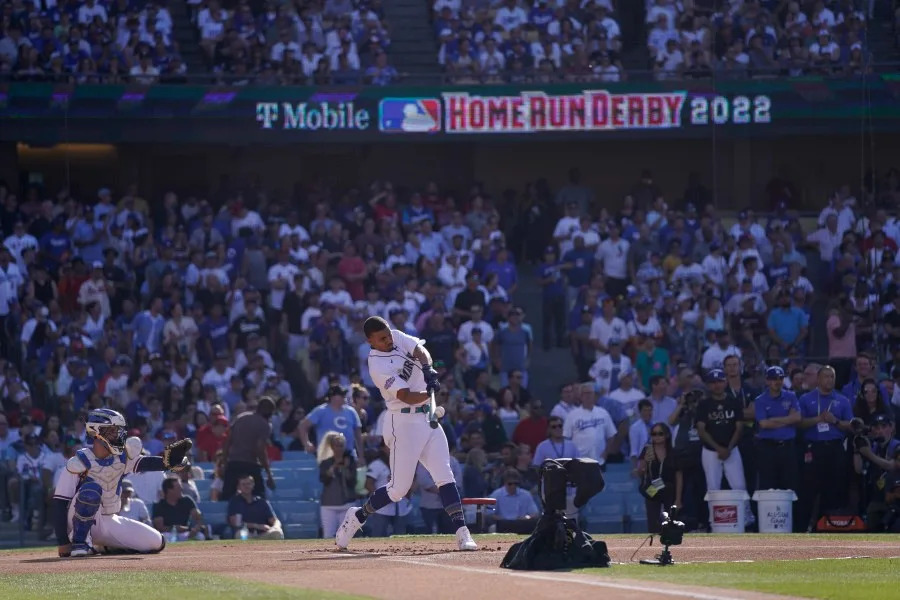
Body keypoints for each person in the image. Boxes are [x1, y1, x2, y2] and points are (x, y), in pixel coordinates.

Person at [334, 316, 477, 550]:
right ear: (370, 341)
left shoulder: (395, 336)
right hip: (403, 422)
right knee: (398, 489)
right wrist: (428, 390)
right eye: (381, 339)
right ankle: (357, 517)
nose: (387, 340)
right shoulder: (377, 365)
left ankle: (463, 533)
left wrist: (428, 369)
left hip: (427, 417)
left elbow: (420, 349)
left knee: (445, 475)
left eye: (388, 334)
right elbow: (406, 396)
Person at [52, 408, 191, 557]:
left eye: (118, 431)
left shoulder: (121, 458)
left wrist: (169, 463)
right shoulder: (77, 462)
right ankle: (79, 542)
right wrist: (63, 542)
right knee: (91, 490)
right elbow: (59, 503)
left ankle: (103, 547)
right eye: (112, 431)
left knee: (156, 542)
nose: (118, 435)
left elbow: (145, 463)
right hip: (75, 522)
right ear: (96, 431)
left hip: (108, 519)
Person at [797, 366, 854, 532]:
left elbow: (850, 425)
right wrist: (817, 419)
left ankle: (824, 528)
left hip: (835, 449)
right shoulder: (806, 399)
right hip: (813, 449)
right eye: (826, 376)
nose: (830, 380)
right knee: (808, 490)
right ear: (818, 379)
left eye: (832, 377)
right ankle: (801, 529)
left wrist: (835, 421)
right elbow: (799, 423)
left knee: (832, 490)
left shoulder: (842, 400)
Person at [695, 369, 751, 527]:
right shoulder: (704, 404)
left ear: (725, 382)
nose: (717, 385)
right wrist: (719, 448)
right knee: (713, 487)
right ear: (708, 385)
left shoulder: (733, 401)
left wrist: (729, 448)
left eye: (719, 381)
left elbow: (739, 427)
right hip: (710, 451)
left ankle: (746, 517)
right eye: (713, 382)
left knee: (739, 485)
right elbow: (701, 429)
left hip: (732, 449)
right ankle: (714, 520)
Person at [754, 366, 801, 496]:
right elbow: (764, 424)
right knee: (768, 486)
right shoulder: (760, 400)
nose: (777, 382)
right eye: (774, 379)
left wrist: (774, 419)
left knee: (790, 487)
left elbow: (797, 417)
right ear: (767, 381)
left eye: (780, 378)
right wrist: (787, 418)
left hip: (788, 447)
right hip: (768, 448)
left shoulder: (791, 396)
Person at [221, 396, 277, 501]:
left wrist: (224, 462)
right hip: (250, 464)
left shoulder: (240, 417)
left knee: (226, 498)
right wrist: (268, 473)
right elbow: (260, 449)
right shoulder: (265, 425)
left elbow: (227, 441)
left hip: (233, 463)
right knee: (259, 497)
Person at [853, 414, 900, 531]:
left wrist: (869, 454)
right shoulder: (873, 446)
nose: (880, 431)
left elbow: (891, 466)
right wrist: (857, 450)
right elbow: (858, 469)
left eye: (884, 427)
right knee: (872, 531)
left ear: (891, 428)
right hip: (875, 498)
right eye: (877, 428)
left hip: (894, 499)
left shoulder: (897, 446)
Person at [637, 423, 683, 534]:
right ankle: (653, 542)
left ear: (666, 435)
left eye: (660, 433)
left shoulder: (673, 452)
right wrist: (645, 464)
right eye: (654, 434)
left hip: (668, 488)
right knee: (653, 521)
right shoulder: (648, 450)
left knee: (670, 519)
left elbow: (679, 476)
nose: (657, 436)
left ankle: (669, 539)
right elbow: (639, 472)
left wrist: (678, 499)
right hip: (652, 487)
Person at [299, 385, 365, 462]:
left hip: (348, 455)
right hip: (327, 455)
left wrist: (361, 456)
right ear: (332, 397)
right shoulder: (320, 411)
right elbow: (302, 426)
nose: (344, 396)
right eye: (341, 394)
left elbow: (358, 435)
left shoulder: (351, 412)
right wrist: (307, 444)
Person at [317, 432, 358, 539]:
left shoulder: (351, 461)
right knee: (328, 534)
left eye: (341, 446)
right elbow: (323, 479)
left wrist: (346, 468)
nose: (339, 448)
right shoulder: (325, 463)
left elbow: (353, 481)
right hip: (329, 504)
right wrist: (333, 468)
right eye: (337, 446)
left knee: (347, 535)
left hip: (347, 503)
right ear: (332, 447)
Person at [227, 474, 284, 540]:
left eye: (248, 484)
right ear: (239, 487)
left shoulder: (262, 502)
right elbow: (236, 523)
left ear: (253, 485)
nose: (246, 486)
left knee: (277, 532)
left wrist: (276, 526)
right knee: (241, 534)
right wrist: (257, 526)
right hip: (246, 534)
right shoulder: (234, 502)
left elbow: (274, 520)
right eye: (243, 484)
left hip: (264, 534)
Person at [488, 468, 540, 533]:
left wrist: (526, 518)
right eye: (510, 484)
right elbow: (489, 513)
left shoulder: (526, 495)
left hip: (521, 525)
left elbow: (535, 513)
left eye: (515, 483)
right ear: (505, 483)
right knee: (492, 528)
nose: (513, 486)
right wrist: (503, 520)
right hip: (503, 524)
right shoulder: (496, 495)